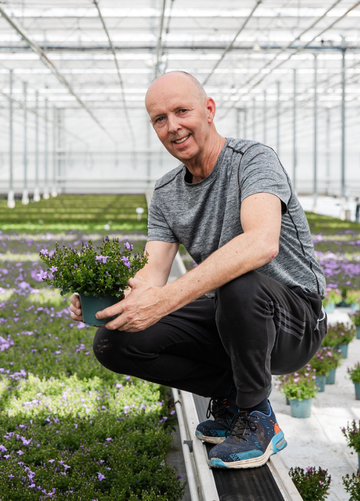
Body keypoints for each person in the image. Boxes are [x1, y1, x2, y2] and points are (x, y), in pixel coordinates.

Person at [69, 71, 327, 469]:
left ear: (208, 110)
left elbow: (261, 243)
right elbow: (152, 273)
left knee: (237, 279)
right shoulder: (166, 191)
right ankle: (230, 397)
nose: (173, 127)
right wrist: (106, 297)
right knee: (115, 342)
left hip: (294, 321)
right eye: (159, 119)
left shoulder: (253, 160)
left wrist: (166, 300)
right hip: (231, 316)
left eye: (181, 111)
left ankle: (258, 418)